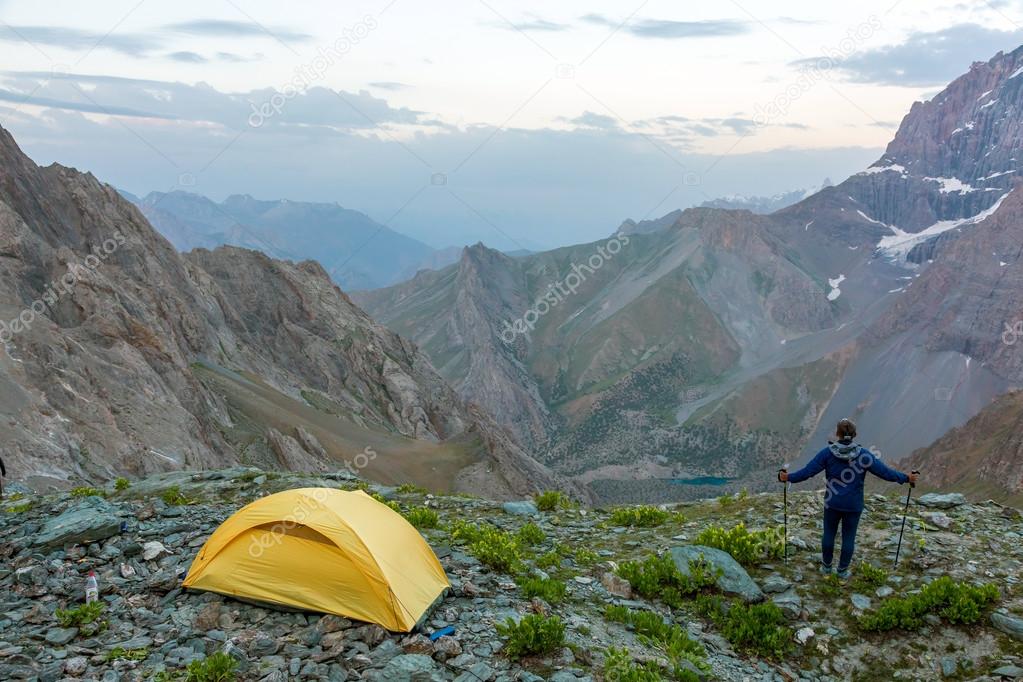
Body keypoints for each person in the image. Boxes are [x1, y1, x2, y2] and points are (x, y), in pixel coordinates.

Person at [778, 418, 918, 579]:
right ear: (854, 435)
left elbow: (808, 472)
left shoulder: (827, 453)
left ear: (837, 434)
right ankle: (842, 571)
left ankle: (826, 568)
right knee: (848, 537)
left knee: (829, 534)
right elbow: (885, 473)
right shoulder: (864, 455)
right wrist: (906, 478)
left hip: (832, 502)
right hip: (853, 504)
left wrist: (788, 477)